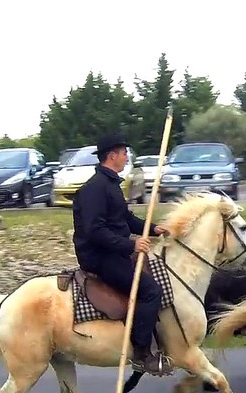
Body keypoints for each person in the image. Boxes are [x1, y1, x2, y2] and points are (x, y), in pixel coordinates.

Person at [71, 133, 171, 375]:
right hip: (100, 257)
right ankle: (142, 354)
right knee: (150, 291)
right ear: (112, 156)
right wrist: (130, 246)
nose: (127, 157)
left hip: (114, 251)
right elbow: (95, 230)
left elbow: (125, 219)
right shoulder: (94, 189)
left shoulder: (111, 184)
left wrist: (154, 229)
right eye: (124, 153)